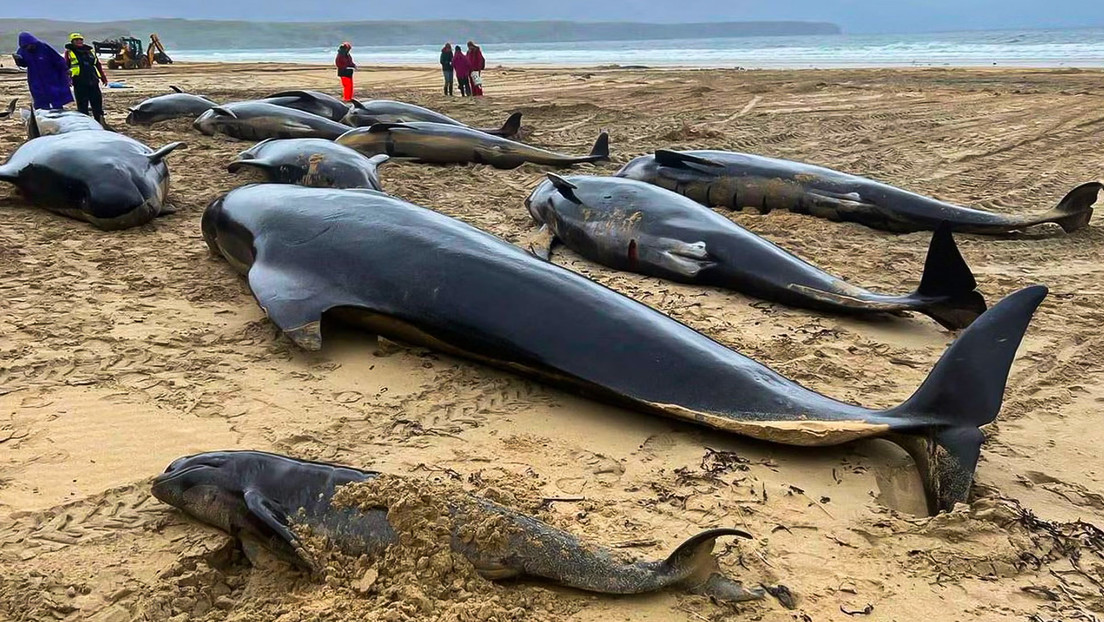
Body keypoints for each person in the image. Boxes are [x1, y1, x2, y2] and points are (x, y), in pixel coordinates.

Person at [13, 32, 73, 110]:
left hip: (50, 76)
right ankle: (42, 114)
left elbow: (57, 59)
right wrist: (18, 61)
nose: (28, 47)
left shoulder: (44, 47)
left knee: (55, 95)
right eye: (26, 46)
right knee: (39, 97)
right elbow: (24, 64)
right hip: (35, 77)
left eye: (30, 45)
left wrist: (65, 69)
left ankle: (58, 111)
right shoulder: (22, 50)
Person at [63, 33, 108, 123]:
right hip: (79, 81)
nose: (79, 41)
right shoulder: (69, 52)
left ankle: (100, 121)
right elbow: (65, 67)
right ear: (72, 42)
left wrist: (103, 77)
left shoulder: (90, 51)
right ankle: (85, 123)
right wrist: (67, 79)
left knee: (97, 103)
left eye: (81, 40)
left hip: (93, 80)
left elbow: (97, 65)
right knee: (82, 105)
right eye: (76, 40)